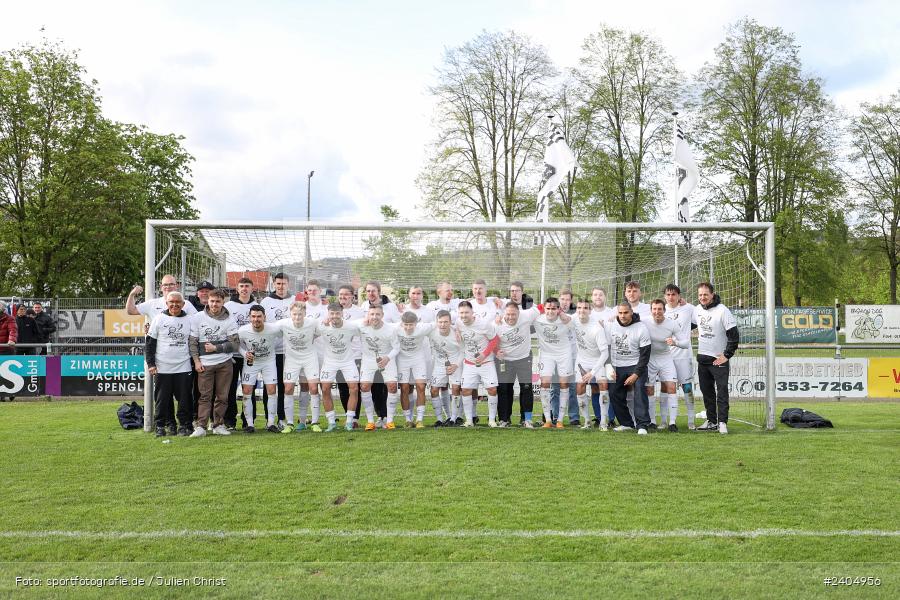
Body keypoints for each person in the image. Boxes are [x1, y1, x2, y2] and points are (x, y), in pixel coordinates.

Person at [188, 288, 239, 437]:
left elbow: (235, 345)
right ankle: (201, 427)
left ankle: (218, 425)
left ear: (223, 302)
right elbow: (193, 343)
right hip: (205, 364)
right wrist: (196, 361)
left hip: (225, 363)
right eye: (212, 301)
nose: (214, 304)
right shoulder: (197, 318)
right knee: (204, 396)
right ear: (207, 301)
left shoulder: (230, 319)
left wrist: (216, 348)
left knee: (222, 396)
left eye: (218, 301)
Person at [694, 282, 740, 434]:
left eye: (705, 294)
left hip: (718, 360)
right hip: (703, 360)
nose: (703, 297)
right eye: (700, 295)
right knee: (707, 393)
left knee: (722, 392)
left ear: (712, 295)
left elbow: (734, 335)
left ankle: (722, 423)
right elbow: (688, 325)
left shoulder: (722, 310)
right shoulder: (697, 310)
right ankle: (711, 421)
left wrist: (727, 355)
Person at [145, 291, 194, 437]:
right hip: (162, 366)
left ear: (183, 304)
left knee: (185, 398)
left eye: (178, 302)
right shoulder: (159, 319)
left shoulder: (190, 320)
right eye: (171, 302)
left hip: (183, 366)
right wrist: (151, 363)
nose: (174, 304)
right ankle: (162, 425)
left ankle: (184, 425)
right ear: (166, 304)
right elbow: (150, 343)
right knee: (162, 398)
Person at [275, 301, 324, 433]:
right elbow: (269, 331)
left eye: (300, 314)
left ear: (305, 314)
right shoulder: (283, 324)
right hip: (292, 360)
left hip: (309, 359)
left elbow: (322, 330)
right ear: (290, 314)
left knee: (313, 388)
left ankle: (314, 422)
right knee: (289, 388)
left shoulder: (312, 323)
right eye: (295, 314)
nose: (297, 317)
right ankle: (290, 423)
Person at [643, 299, 690, 432]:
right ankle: (652, 421)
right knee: (649, 390)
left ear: (664, 310)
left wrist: (675, 342)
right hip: (650, 359)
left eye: (659, 309)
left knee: (671, 387)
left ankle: (672, 422)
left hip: (666, 358)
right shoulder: (644, 322)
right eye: (654, 309)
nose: (657, 312)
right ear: (651, 310)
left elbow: (686, 343)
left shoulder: (671, 323)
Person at [607, 303, 652, 435]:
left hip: (636, 365)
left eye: (626, 313)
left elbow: (645, 354)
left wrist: (636, 374)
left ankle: (642, 425)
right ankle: (626, 423)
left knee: (639, 391)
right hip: (616, 365)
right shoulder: (611, 326)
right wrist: (609, 367)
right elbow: (606, 350)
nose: (623, 316)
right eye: (620, 313)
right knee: (614, 393)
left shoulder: (641, 327)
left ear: (631, 312)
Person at [318, 302, 363, 432]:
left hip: (348, 361)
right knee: (325, 389)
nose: (334, 316)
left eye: (337, 313)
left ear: (342, 314)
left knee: (354, 389)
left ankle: (349, 421)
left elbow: (366, 330)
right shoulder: (322, 326)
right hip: (330, 362)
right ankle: (331, 422)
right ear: (328, 314)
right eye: (332, 313)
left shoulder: (351, 326)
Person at [237, 305, 281, 433]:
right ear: (250, 317)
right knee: (247, 390)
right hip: (251, 363)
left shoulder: (273, 329)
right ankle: (250, 424)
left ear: (264, 317)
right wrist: (245, 354)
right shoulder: (243, 330)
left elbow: (284, 335)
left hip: (269, 362)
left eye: (259, 316)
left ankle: (271, 423)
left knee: (272, 390)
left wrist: (273, 346)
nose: (256, 319)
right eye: (253, 316)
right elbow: (237, 344)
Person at [495, 301, 539, 428]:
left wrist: (559, 311)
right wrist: (496, 351)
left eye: (513, 314)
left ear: (519, 313)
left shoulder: (527, 315)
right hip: (505, 361)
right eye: (508, 314)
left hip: (524, 359)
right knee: (504, 389)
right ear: (504, 313)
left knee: (526, 388)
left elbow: (542, 307)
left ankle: (527, 419)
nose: (510, 317)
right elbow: (490, 340)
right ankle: (504, 419)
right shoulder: (497, 324)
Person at [456, 300, 499, 427]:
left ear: (472, 312)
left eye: (466, 313)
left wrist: (484, 354)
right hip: (469, 363)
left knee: (491, 389)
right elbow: (456, 329)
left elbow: (495, 339)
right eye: (461, 313)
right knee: (466, 390)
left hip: (486, 362)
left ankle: (491, 420)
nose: (464, 315)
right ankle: (469, 420)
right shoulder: (459, 323)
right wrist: (457, 333)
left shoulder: (483, 324)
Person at [533, 297, 575, 428]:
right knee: (544, 383)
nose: (550, 311)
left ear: (558, 309)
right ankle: (548, 420)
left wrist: (563, 314)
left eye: (553, 309)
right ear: (544, 309)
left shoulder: (565, 318)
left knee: (564, 384)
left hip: (564, 354)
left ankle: (560, 420)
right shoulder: (537, 319)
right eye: (548, 308)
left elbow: (572, 324)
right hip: (546, 354)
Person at [358, 303, 400, 430]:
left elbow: (397, 347)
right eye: (372, 314)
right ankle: (370, 421)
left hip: (386, 359)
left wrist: (387, 358)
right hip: (368, 360)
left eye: (377, 314)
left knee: (392, 387)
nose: (374, 317)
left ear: (382, 315)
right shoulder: (361, 325)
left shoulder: (390, 329)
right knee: (364, 387)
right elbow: (345, 324)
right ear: (367, 315)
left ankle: (390, 421)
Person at [260, 272, 293, 428]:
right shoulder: (266, 301)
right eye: (278, 284)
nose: (281, 286)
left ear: (288, 284)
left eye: (284, 283)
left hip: (289, 352)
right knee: (270, 386)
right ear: (274, 284)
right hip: (271, 352)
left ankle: (282, 418)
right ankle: (269, 419)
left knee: (284, 386)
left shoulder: (295, 300)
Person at [572, 299, 610, 429]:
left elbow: (605, 354)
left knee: (603, 385)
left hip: (598, 361)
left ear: (590, 310)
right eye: (579, 308)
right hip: (582, 361)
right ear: (576, 309)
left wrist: (592, 373)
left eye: (585, 308)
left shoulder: (597, 327)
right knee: (580, 387)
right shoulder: (574, 321)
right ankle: (587, 421)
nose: (582, 310)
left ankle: (604, 421)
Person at [224, 277, 256, 430]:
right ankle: (230, 421)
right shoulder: (228, 306)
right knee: (229, 389)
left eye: (247, 286)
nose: (244, 289)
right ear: (237, 289)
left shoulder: (257, 306)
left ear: (252, 288)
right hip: (232, 355)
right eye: (241, 286)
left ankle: (248, 421)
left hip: (250, 354)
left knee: (249, 388)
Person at [664, 284, 698, 429]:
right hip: (666, 357)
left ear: (679, 296)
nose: (671, 297)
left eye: (673, 294)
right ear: (664, 296)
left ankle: (691, 420)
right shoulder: (660, 310)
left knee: (688, 388)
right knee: (666, 388)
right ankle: (665, 421)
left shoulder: (688, 308)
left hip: (684, 355)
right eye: (668, 295)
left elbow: (700, 318)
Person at [395, 311, 436, 428]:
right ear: (401, 323)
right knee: (404, 388)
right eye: (405, 325)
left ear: (416, 324)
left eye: (411, 325)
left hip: (419, 359)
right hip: (402, 361)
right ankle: (408, 419)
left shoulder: (423, 328)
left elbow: (438, 323)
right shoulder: (396, 328)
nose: (408, 327)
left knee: (421, 387)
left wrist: (457, 330)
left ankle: (419, 420)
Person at [336, 284, 368, 426]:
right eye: (340, 295)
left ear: (352, 297)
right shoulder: (333, 311)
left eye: (346, 294)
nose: (343, 297)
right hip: (338, 356)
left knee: (355, 387)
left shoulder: (360, 312)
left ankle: (355, 418)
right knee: (343, 387)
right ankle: (347, 414)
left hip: (356, 355)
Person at [427, 310, 464, 426]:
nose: (443, 325)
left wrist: (456, 365)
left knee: (456, 388)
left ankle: (454, 418)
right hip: (439, 364)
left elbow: (464, 351)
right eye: (440, 322)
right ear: (436, 322)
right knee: (433, 390)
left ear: (450, 322)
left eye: (445, 322)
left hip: (455, 364)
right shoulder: (431, 331)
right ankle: (439, 419)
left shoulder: (457, 333)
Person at [550, 288, 579, 425]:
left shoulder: (576, 314)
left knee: (572, 387)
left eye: (568, 299)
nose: (565, 302)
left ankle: (574, 417)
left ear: (571, 301)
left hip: (572, 356)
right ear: (559, 299)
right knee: (555, 388)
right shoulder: (551, 314)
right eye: (563, 299)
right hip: (556, 357)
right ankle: (555, 416)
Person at [588, 287, 614, 426]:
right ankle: (598, 417)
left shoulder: (612, 312)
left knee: (608, 385)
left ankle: (610, 418)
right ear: (592, 297)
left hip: (609, 352)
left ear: (605, 296)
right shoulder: (588, 313)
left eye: (600, 294)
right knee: (595, 387)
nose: (598, 297)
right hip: (593, 353)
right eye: (595, 294)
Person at [126, 274, 198, 317]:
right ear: (161, 287)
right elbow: (131, 311)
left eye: (171, 284)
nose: (168, 287)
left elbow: (197, 322)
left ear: (177, 286)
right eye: (165, 284)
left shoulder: (186, 304)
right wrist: (132, 295)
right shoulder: (153, 304)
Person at [0, 301, 16, 401]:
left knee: (8, 373)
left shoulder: (10, 318)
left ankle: (11, 392)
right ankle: (2, 395)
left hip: (6, 350)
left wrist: (12, 339)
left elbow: (13, 330)